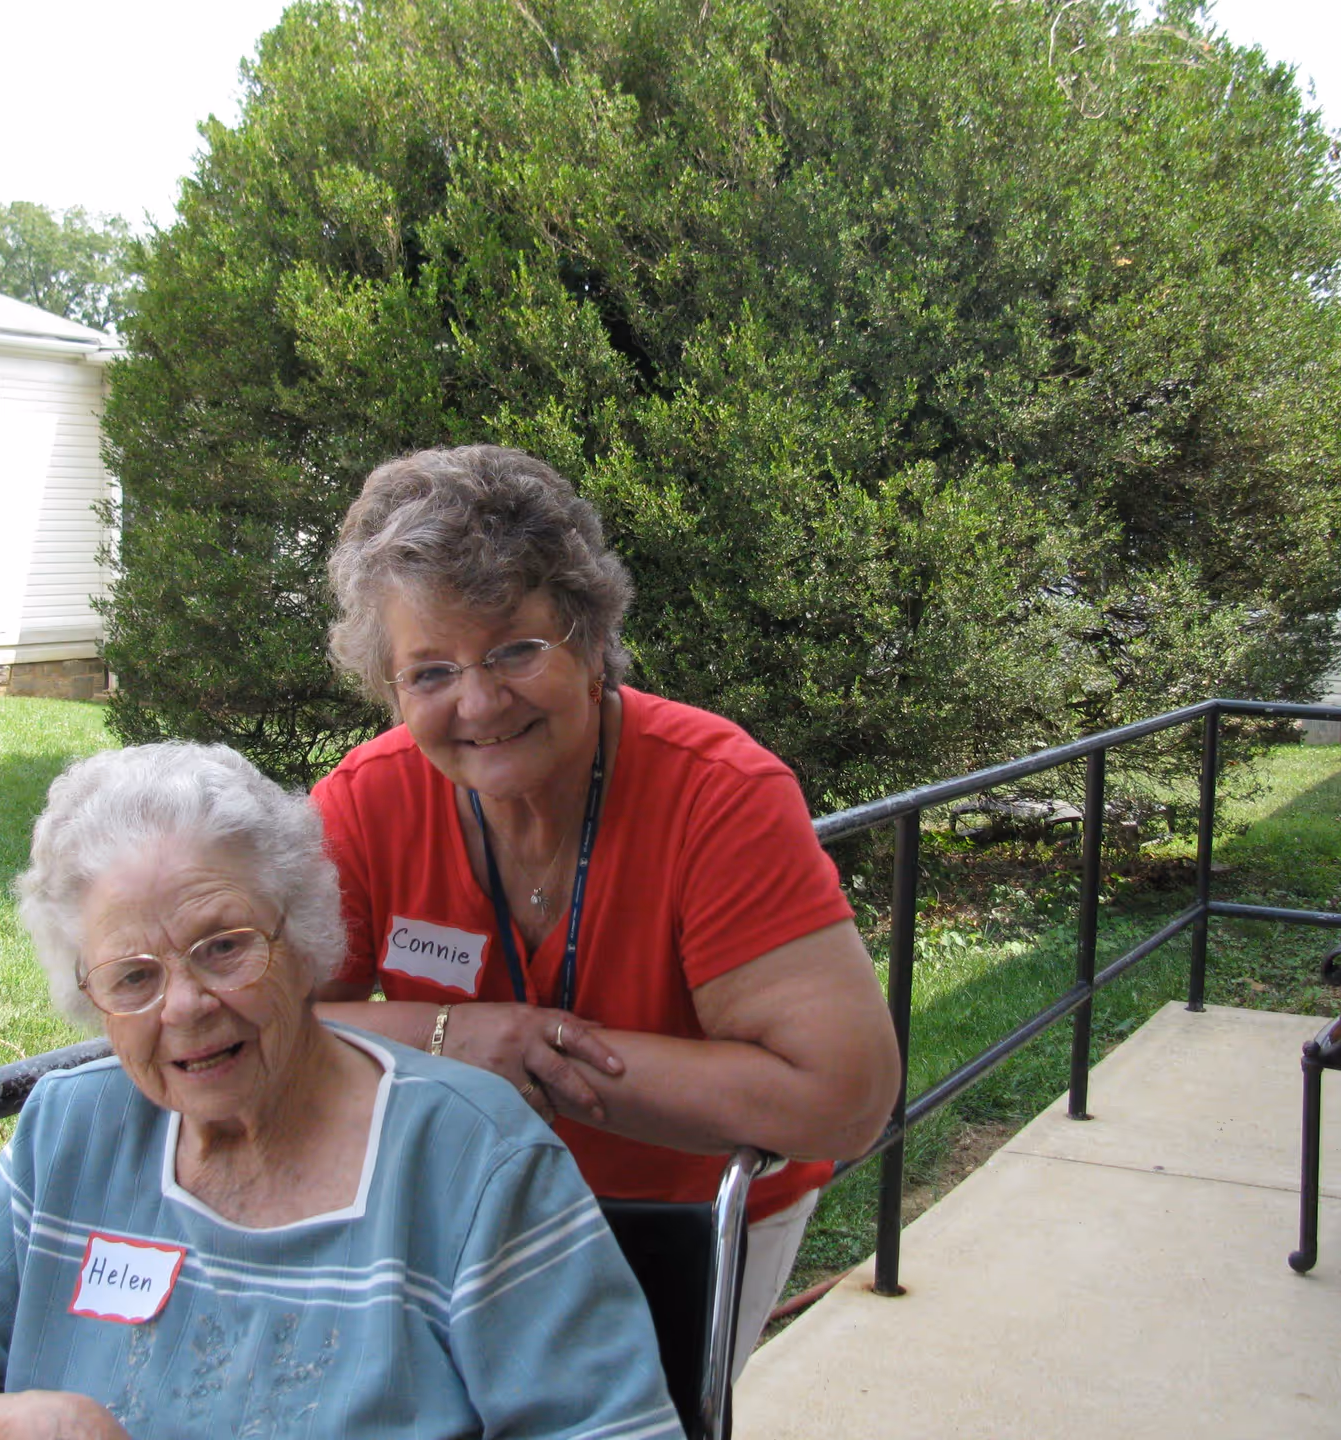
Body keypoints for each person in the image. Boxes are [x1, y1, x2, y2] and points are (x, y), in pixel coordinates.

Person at [0, 743, 683, 1440]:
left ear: (306, 938)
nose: (187, 1006)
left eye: (224, 946)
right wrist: (19, 1425)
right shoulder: (69, 1136)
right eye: (133, 977)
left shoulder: (474, 1165)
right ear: (91, 996)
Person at [312, 445, 902, 1367]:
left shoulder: (719, 794)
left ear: (588, 642)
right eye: (429, 672)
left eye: (513, 650)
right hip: (469, 1218)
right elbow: (271, 1031)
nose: (478, 701)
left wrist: (530, 1056)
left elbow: (841, 1097)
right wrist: (449, 1041)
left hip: (689, 1219)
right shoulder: (364, 801)